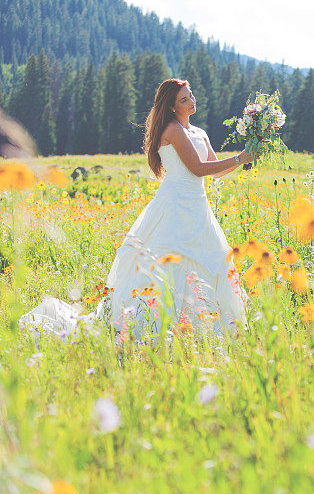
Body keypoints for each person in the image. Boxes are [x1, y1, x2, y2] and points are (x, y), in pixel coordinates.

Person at [21, 78, 253, 341]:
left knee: (209, 261)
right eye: (184, 99)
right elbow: (196, 168)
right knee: (167, 264)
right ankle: (157, 326)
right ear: (172, 106)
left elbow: (215, 172)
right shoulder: (172, 130)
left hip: (198, 207)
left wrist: (245, 155)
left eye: (191, 95)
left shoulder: (199, 132)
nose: (191, 101)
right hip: (175, 206)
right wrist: (239, 158)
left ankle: (203, 327)